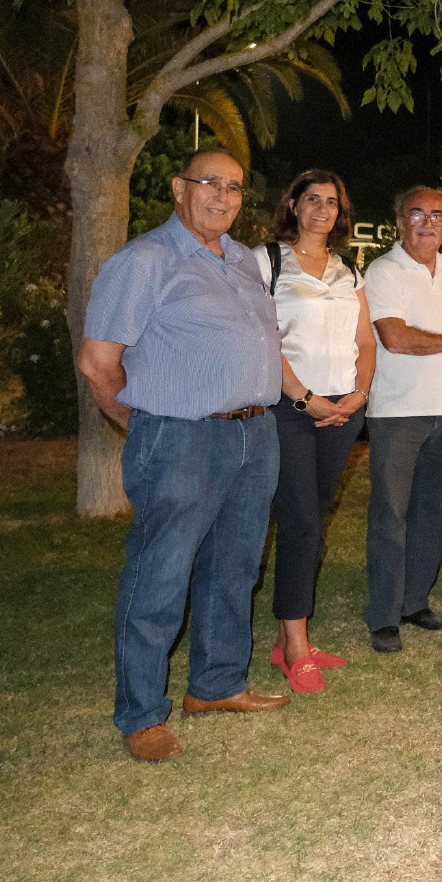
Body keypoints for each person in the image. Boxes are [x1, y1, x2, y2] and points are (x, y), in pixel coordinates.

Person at [77, 149, 289, 763]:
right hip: (182, 437)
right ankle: (141, 713)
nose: (223, 196)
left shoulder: (244, 261)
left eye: (235, 188)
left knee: (235, 567)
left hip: (255, 432)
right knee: (160, 573)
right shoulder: (144, 260)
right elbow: (98, 363)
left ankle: (217, 685)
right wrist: (143, 427)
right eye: (210, 183)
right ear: (179, 188)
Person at [254, 170, 376, 694]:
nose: (323, 210)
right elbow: (262, 338)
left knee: (313, 521)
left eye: (332, 202)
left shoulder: (349, 269)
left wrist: (358, 394)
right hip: (290, 409)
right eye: (313, 200)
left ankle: (292, 636)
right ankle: (294, 648)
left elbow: (365, 341)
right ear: (294, 206)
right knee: (302, 520)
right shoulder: (268, 261)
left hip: (344, 411)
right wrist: (305, 398)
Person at [363, 186, 442, 654]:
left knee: (435, 516)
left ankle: (414, 601)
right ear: (400, 221)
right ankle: (383, 616)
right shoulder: (384, 270)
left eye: (437, 216)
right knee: (390, 515)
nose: (427, 223)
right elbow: (395, 338)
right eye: (416, 214)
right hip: (398, 413)